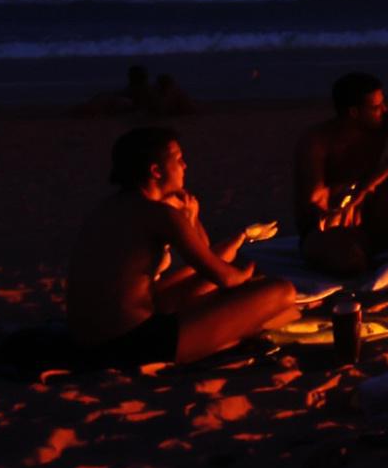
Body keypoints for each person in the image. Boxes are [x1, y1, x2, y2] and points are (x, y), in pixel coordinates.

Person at [65, 127, 298, 366]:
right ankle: (224, 344)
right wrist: (247, 275)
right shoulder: (159, 213)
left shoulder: (111, 207)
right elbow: (224, 278)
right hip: (132, 343)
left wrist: (191, 217)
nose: (184, 166)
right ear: (156, 171)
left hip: (87, 339)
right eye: (178, 159)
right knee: (282, 293)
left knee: (198, 285)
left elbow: (202, 259)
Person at [294, 72, 388, 274]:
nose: (384, 110)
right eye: (375, 107)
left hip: (374, 216)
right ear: (354, 112)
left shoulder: (382, 124)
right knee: (350, 262)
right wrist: (343, 200)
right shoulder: (317, 141)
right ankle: (361, 256)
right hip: (333, 225)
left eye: (383, 103)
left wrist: (371, 182)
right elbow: (313, 201)